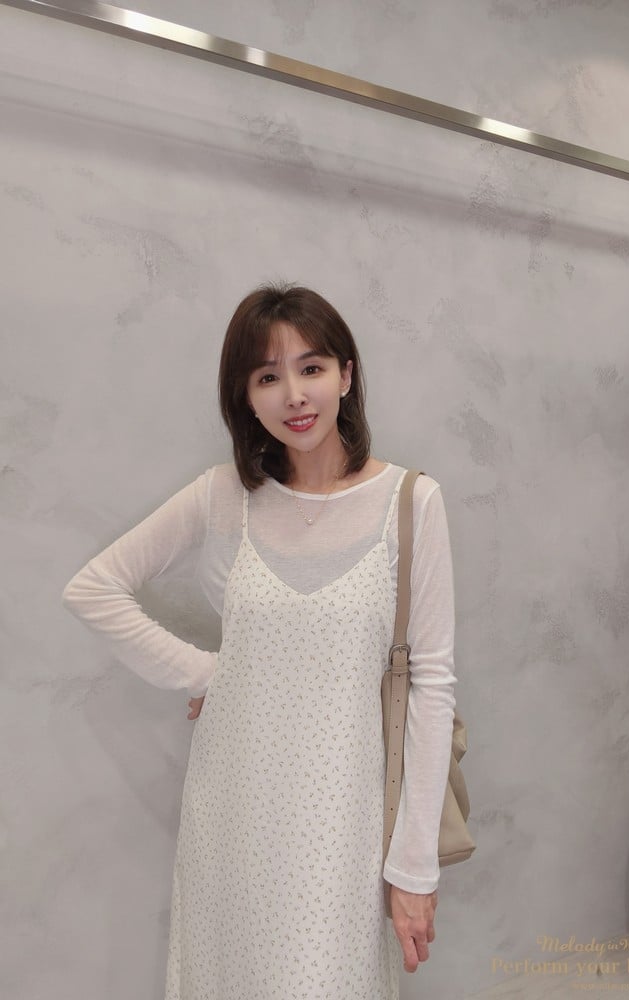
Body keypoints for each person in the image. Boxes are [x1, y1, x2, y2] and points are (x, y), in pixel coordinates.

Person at [62, 283, 457, 1000]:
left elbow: (431, 684)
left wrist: (414, 866)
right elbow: (95, 588)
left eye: (311, 368)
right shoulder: (224, 497)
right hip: (234, 813)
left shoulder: (411, 503)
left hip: (347, 822)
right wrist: (208, 673)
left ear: (346, 375)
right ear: (245, 397)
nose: (294, 395)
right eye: (267, 377)